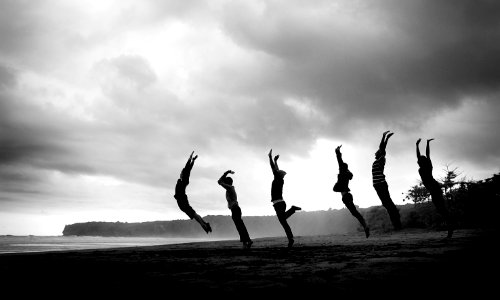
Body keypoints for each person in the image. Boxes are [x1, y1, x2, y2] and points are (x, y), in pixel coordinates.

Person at [416, 138, 454, 238]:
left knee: (442, 209)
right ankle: (450, 224)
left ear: (422, 161)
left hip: (434, 188)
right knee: (441, 209)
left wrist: (427, 144)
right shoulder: (423, 166)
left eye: (420, 160)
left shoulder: (428, 166)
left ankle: (450, 225)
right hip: (433, 189)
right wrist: (417, 146)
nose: (418, 161)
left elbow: (427, 154)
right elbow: (420, 156)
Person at [333, 145, 370, 238]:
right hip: (348, 195)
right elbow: (342, 164)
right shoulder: (347, 174)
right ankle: (365, 224)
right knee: (355, 212)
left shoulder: (342, 173)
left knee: (354, 213)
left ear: (342, 168)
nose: (339, 168)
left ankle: (365, 225)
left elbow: (339, 160)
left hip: (345, 196)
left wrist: (337, 151)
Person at [268, 149, 301, 248]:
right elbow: (276, 169)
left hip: (278, 204)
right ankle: (290, 238)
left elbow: (273, 168)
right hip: (281, 203)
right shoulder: (280, 180)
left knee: (283, 221)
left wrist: (270, 158)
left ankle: (290, 238)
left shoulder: (277, 178)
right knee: (283, 220)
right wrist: (276, 161)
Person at [174, 151, 212, 234]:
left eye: (181, 172)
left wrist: (190, 159)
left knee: (194, 214)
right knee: (194, 215)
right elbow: (188, 169)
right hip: (181, 201)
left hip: (182, 201)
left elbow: (187, 169)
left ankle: (205, 226)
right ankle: (205, 225)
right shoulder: (182, 181)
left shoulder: (183, 181)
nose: (180, 173)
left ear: (183, 175)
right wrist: (192, 160)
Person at [372, 131, 402, 230]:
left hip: (381, 184)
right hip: (378, 185)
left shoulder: (381, 159)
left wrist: (384, 137)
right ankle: (396, 224)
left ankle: (397, 224)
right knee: (387, 203)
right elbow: (382, 149)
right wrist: (386, 138)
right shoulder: (378, 160)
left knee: (388, 204)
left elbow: (382, 148)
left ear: (380, 154)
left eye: (377, 151)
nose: (375, 152)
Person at [217, 170, 253, 249]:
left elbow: (219, 181)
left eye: (225, 182)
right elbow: (220, 181)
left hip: (235, 209)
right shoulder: (230, 188)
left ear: (228, 183)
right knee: (240, 226)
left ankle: (248, 241)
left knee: (240, 226)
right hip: (235, 209)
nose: (224, 183)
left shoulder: (230, 188)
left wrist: (226, 173)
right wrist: (227, 173)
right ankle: (245, 243)